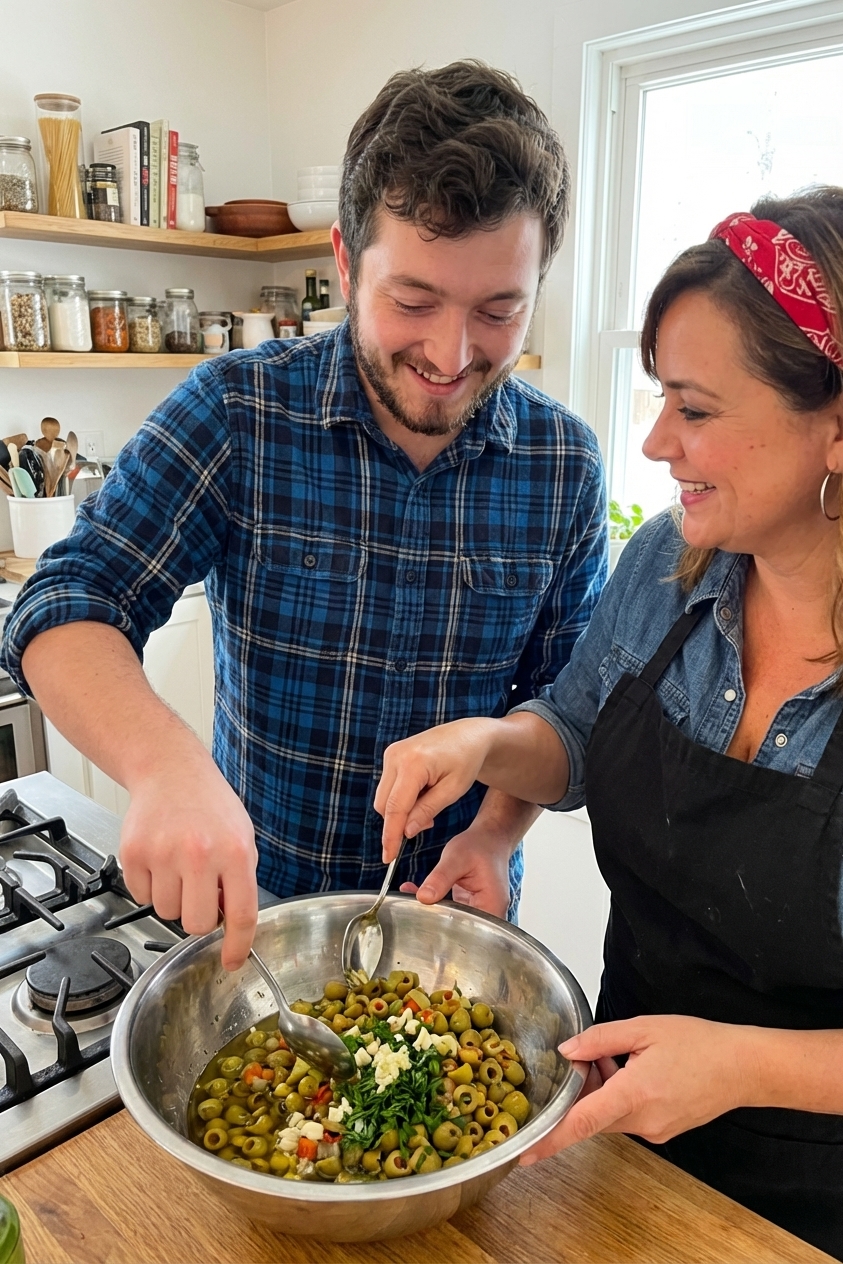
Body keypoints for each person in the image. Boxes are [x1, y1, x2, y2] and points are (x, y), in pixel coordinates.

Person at [0, 61, 606, 973]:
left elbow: (560, 713)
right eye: (412, 301)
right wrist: (165, 769)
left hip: (455, 908)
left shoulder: (564, 466)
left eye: (497, 310)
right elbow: (63, 604)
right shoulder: (237, 414)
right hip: (255, 908)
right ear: (344, 261)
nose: (452, 354)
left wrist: (495, 833)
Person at [374, 186, 843, 1258]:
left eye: (697, 408)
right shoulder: (666, 568)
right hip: (620, 1144)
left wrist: (746, 1064)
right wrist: (486, 745)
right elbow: (576, 735)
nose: (653, 441)